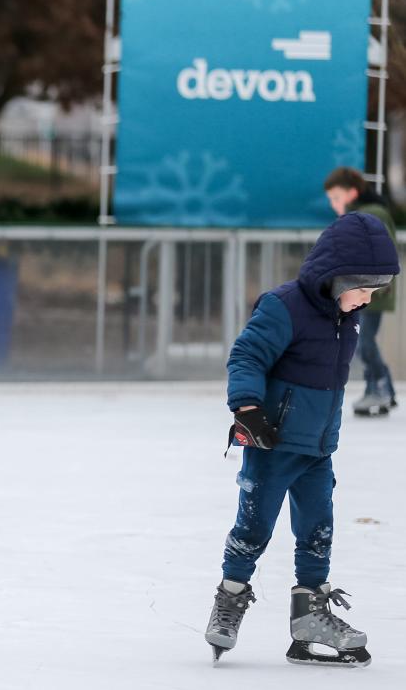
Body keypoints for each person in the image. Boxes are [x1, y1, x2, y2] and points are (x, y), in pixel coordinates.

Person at [204, 213, 399, 667]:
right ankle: (230, 599)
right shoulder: (284, 306)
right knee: (253, 529)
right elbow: (247, 354)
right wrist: (247, 409)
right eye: (364, 290)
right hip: (271, 443)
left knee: (317, 532)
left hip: (317, 449)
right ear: (337, 278)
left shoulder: (345, 316)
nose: (367, 301)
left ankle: (309, 616)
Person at [324, 166, 399, 416]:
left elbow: (384, 252)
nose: (334, 205)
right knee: (362, 341)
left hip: (372, 291)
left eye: (337, 198)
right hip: (362, 289)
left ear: (352, 192)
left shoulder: (370, 214)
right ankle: (382, 387)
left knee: (363, 341)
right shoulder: (359, 214)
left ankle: (379, 388)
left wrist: (378, 286)